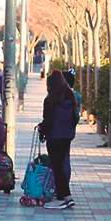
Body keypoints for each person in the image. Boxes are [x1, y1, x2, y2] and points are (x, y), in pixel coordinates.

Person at [39, 71, 79, 210]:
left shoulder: (50, 100)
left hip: (54, 137)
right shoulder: (70, 97)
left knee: (56, 167)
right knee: (61, 164)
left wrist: (42, 130)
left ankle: (65, 196)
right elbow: (75, 118)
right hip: (67, 136)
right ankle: (63, 196)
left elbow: (48, 120)